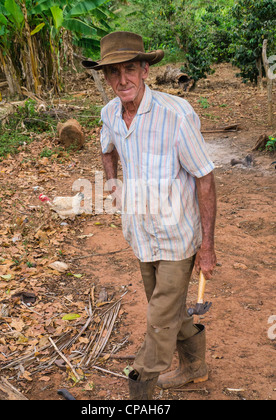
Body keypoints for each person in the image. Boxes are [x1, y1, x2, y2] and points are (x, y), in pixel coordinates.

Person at [82, 31, 217, 400]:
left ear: (144, 70)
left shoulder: (176, 114)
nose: (122, 79)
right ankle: (195, 367)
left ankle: (139, 392)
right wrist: (112, 186)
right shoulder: (109, 113)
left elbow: (204, 177)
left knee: (159, 320)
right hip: (141, 235)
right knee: (171, 312)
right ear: (106, 77)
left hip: (177, 237)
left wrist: (207, 247)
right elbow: (107, 149)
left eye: (129, 69)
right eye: (113, 72)